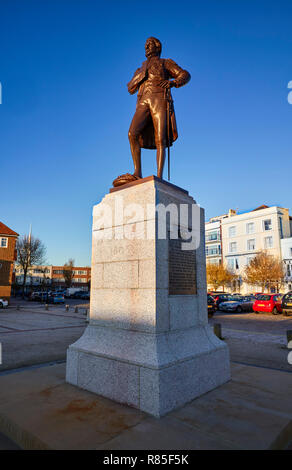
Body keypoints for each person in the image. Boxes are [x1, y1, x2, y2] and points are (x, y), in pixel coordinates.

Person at [127, 37, 191, 179]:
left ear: (157, 48)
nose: (146, 47)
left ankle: (159, 176)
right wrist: (138, 77)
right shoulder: (140, 68)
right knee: (132, 133)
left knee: (160, 138)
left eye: (150, 44)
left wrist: (174, 83)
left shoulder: (165, 63)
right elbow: (130, 88)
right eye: (145, 45)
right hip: (143, 100)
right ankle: (137, 172)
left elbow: (185, 74)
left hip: (159, 98)